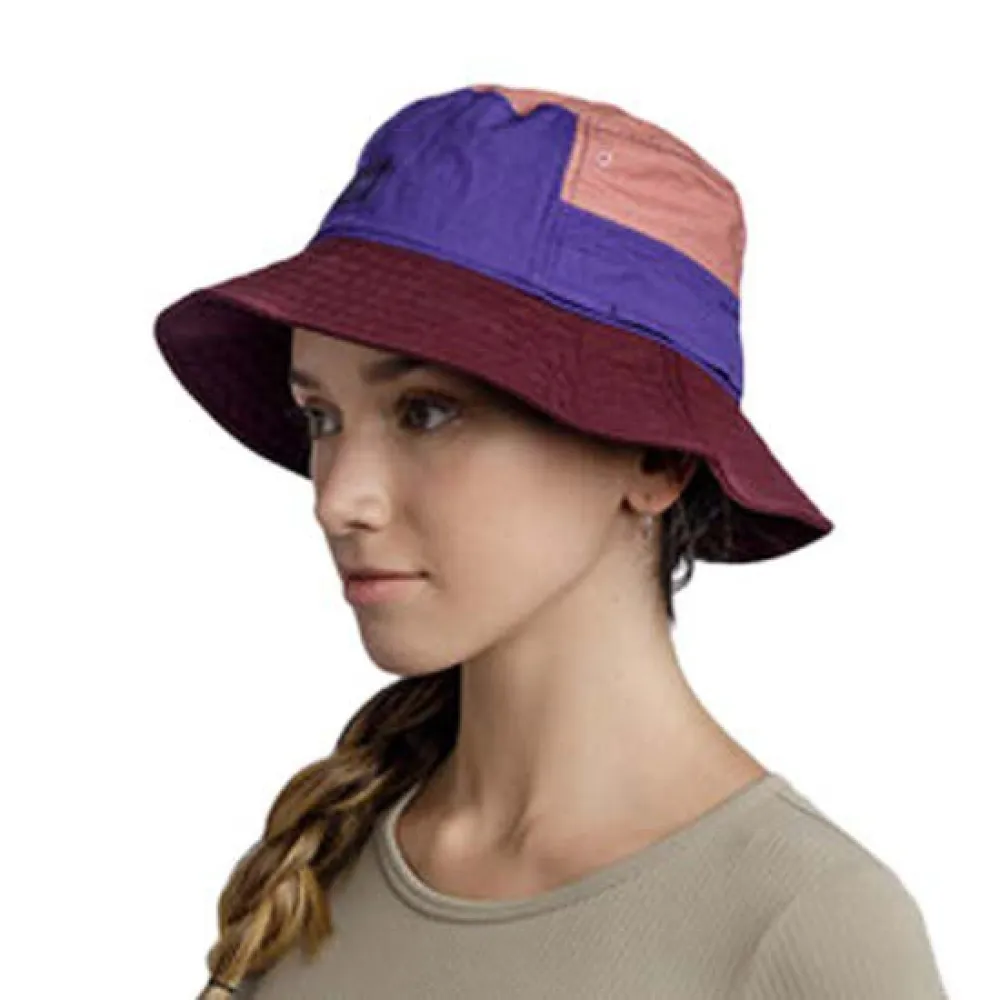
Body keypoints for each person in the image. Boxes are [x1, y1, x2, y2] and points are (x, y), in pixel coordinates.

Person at [154, 83, 949, 999]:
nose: (337, 500)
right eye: (321, 416)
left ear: (655, 457)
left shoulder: (802, 926)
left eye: (426, 411)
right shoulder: (321, 868)